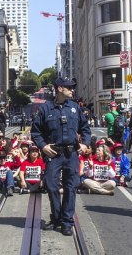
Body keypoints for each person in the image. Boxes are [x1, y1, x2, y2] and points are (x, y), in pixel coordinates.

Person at [31, 77, 91, 236]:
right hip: (54, 154)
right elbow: (36, 132)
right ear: (59, 89)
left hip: (71, 153)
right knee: (51, 186)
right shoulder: (45, 109)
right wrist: (43, 146)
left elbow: (85, 128)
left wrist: (85, 143)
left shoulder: (75, 107)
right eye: (69, 88)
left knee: (71, 187)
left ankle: (66, 221)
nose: (72, 90)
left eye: (72, 87)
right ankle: (56, 217)